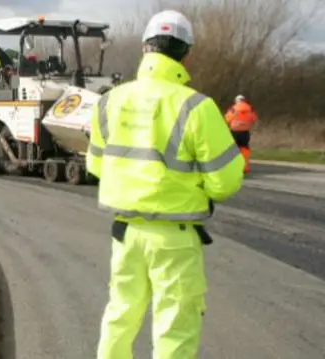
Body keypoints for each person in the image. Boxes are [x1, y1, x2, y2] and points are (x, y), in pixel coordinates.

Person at [86, 10, 245, 359]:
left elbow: (97, 164)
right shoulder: (196, 107)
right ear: (186, 55)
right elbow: (226, 181)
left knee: (120, 315)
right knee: (174, 326)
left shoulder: (109, 101)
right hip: (176, 236)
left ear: (146, 49)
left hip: (126, 233)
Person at [225, 94, 258, 173]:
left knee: (233, 150)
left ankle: (233, 167)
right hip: (245, 132)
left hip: (234, 132)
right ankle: (244, 167)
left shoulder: (233, 108)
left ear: (236, 101)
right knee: (245, 150)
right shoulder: (250, 108)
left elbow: (227, 119)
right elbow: (254, 119)